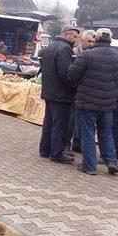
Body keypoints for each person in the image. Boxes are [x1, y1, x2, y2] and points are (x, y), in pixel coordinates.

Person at [68, 28, 118, 175]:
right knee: (106, 133)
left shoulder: (87, 55)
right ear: (111, 40)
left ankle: (89, 166)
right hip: (108, 104)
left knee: (87, 133)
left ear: (96, 38)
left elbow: (72, 75)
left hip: (87, 101)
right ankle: (111, 161)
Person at [38, 25, 80, 164]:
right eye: (74, 37)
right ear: (67, 35)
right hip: (61, 93)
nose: (75, 40)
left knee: (49, 122)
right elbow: (65, 72)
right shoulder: (65, 49)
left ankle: (45, 149)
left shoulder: (50, 46)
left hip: (49, 91)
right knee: (60, 124)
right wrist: (73, 86)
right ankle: (56, 153)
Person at [68, 29, 96, 154]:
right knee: (71, 120)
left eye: (93, 41)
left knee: (82, 121)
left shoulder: (94, 55)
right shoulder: (73, 53)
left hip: (87, 93)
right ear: (82, 40)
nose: (91, 44)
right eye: (89, 41)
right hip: (74, 91)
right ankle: (67, 144)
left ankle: (78, 144)